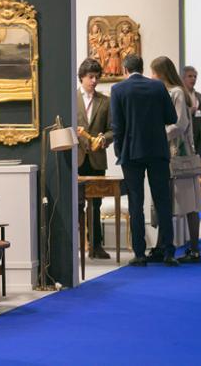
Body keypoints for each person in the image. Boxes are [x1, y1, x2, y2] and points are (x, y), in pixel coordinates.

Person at [111, 55, 179, 267]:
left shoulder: (118, 89)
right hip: (158, 150)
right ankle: (168, 251)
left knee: (135, 203)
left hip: (132, 153)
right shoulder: (158, 87)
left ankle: (140, 253)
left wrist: (119, 152)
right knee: (163, 202)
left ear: (125, 69)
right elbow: (171, 118)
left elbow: (117, 125)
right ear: (142, 68)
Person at [151, 57, 201, 263]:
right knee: (165, 201)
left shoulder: (177, 92)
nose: (152, 76)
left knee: (188, 202)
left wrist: (158, 134)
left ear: (162, 72)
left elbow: (180, 123)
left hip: (179, 153)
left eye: (154, 72)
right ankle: (162, 245)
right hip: (165, 153)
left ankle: (195, 249)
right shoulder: (163, 92)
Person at [76, 59, 114, 259]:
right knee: (76, 204)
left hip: (97, 160)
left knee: (96, 204)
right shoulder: (71, 98)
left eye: (97, 77)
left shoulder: (105, 101)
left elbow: (112, 130)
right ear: (82, 76)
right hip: (77, 159)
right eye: (90, 77)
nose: (94, 80)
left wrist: (104, 139)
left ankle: (96, 246)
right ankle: (77, 246)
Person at [181, 65, 201, 155]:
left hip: (199, 136)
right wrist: (189, 112)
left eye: (195, 77)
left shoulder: (199, 96)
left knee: (197, 163)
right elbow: (176, 115)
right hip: (185, 135)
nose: (193, 79)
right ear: (183, 78)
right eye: (190, 76)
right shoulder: (179, 94)